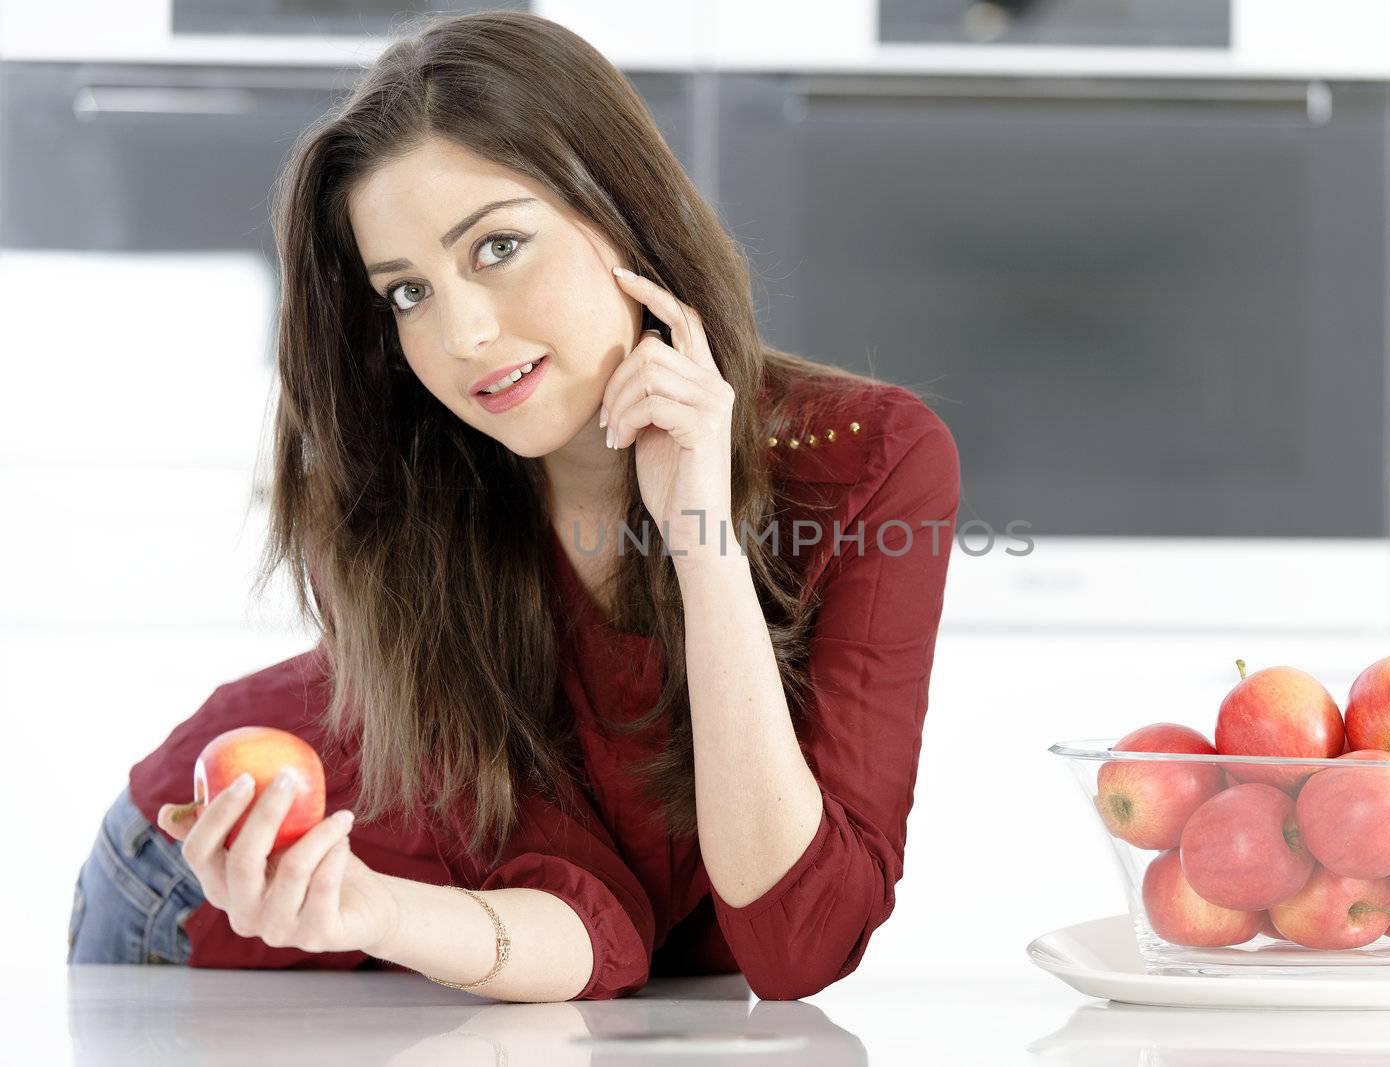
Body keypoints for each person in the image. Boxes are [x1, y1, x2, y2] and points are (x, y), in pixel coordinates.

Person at [67, 10, 961, 1003]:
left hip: (484, 955)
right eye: (407, 293)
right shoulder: (392, 499)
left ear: (622, 212)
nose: (463, 335)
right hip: (212, 895)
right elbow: (590, 924)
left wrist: (699, 536)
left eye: (496, 246)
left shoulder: (862, 460)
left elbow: (797, 942)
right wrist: (368, 904)